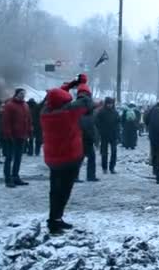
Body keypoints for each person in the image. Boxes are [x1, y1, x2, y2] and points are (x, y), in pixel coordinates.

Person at [41, 74, 93, 234]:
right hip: (69, 158)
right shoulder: (68, 113)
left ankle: (54, 219)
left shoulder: (45, 112)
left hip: (52, 158)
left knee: (54, 190)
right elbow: (86, 101)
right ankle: (55, 221)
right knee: (64, 191)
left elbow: (52, 97)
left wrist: (69, 85)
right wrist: (82, 85)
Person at [2, 89, 32, 188]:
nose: (22, 95)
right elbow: (6, 121)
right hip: (12, 136)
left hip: (22, 136)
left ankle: (16, 177)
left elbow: (28, 120)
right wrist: (8, 135)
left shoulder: (25, 105)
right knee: (9, 158)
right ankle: (8, 179)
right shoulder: (9, 105)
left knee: (18, 158)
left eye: (24, 94)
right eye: (21, 94)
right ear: (16, 94)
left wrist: (29, 131)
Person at [76, 84, 99, 182]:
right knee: (90, 158)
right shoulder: (88, 104)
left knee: (79, 158)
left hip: (79, 136)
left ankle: (75, 176)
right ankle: (90, 176)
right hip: (86, 136)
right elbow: (92, 123)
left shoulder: (76, 104)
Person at [95, 97, 120, 174]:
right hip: (104, 135)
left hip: (113, 135)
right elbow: (97, 122)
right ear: (106, 104)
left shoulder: (115, 112)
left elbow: (118, 123)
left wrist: (118, 134)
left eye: (111, 103)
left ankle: (112, 167)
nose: (110, 105)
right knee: (104, 153)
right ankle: (104, 168)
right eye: (108, 103)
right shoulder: (101, 112)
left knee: (114, 152)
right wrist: (101, 130)